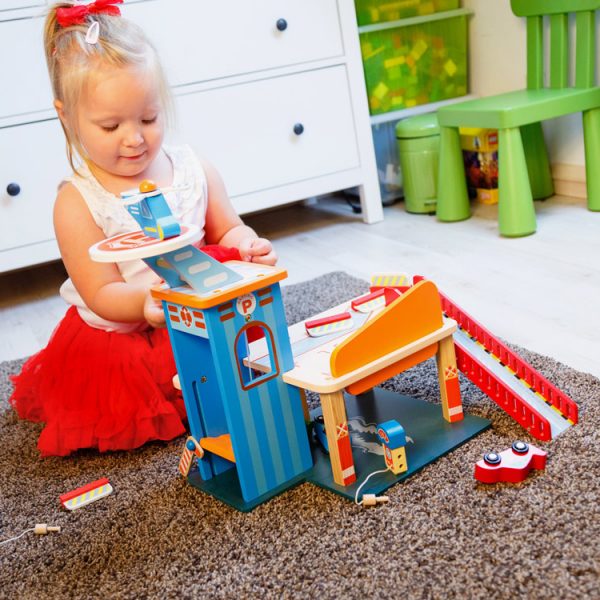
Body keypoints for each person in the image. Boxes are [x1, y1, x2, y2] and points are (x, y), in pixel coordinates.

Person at [9, 0, 277, 457]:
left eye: (149, 119)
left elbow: (225, 229)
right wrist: (144, 303)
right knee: (120, 404)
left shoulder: (192, 168)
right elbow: (99, 291)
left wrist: (248, 245)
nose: (134, 138)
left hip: (194, 311)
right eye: (111, 125)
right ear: (66, 117)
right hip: (124, 332)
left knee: (245, 350)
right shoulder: (76, 202)